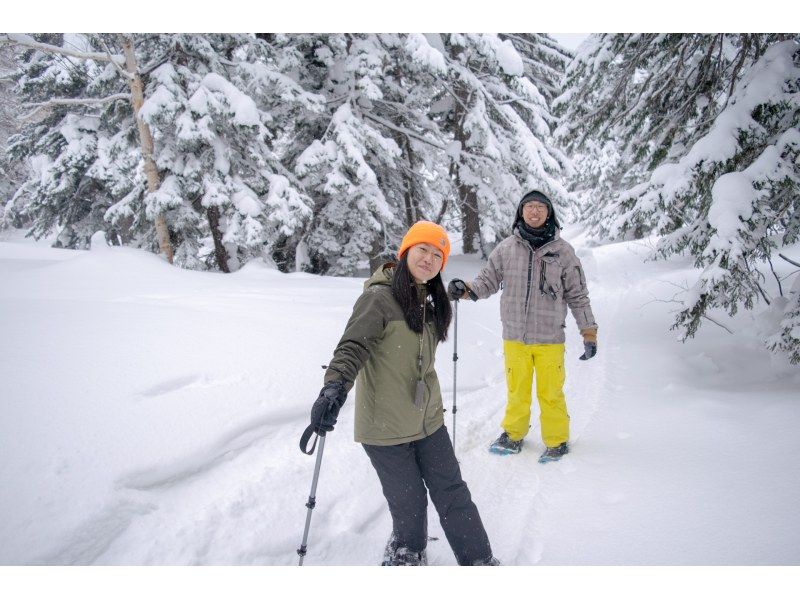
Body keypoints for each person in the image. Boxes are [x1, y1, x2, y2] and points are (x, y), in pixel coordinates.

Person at [307, 220, 498, 566]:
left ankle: (479, 561)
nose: (428, 258)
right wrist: (334, 388)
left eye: (437, 254)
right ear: (406, 251)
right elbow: (351, 347)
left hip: (428, 418)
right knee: (408, 500)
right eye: (422, 249)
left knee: (452, 490)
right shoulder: (378, 299)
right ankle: (408, 551)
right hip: (385, 425)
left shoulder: (432, 299)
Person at [448, 190, 598, 464]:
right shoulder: (506, 248)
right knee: (517, 390)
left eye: (540, 207)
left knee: (550, 393)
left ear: (549, 213)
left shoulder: (563, 252)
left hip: (549, 338)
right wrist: (465, 289)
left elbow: (578, 294)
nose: (534, 211)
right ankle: (513, 434)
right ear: (521, 212)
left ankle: (556, 440)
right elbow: (486, 282)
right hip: (514, 336)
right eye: (529, 206)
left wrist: (588, 332)